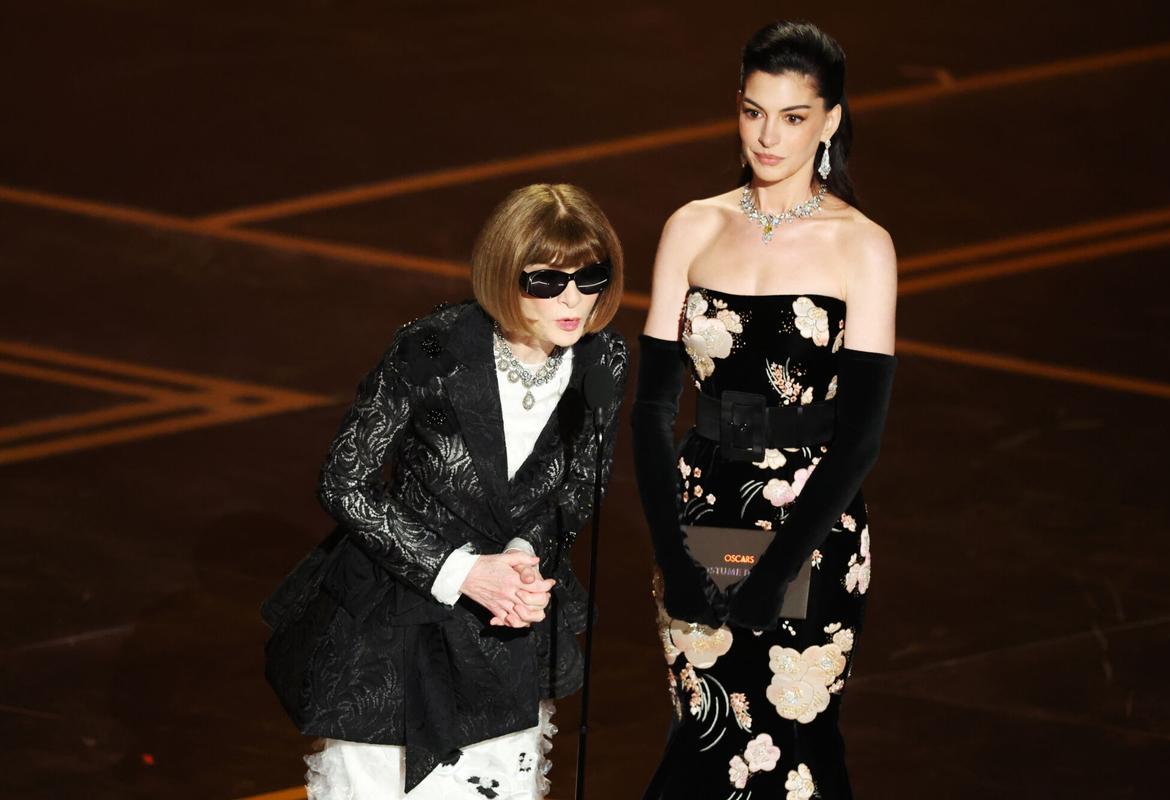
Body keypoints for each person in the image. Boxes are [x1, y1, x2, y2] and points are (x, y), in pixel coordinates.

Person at [261, 183, 627, 799]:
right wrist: (461, 572)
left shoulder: (603, 358)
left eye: (590, 278)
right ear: (504, 275)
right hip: (394, 623)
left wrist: (521, 560)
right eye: (547, 282)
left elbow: (583, 485)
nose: (574, 301)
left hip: (504, 626)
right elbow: (344, 481)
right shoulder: (432, 350)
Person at [632, 21, 897, 799]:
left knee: (795, 747)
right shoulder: (692, 226)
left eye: (792, 117)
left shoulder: (863, 247)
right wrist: (674, 559)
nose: (768, 135)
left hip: (814, 524)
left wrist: (774, 573)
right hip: (701, 512)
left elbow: (861, 440)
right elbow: (651, 409)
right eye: (753, 112)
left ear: (831, 121)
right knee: (708, 733)